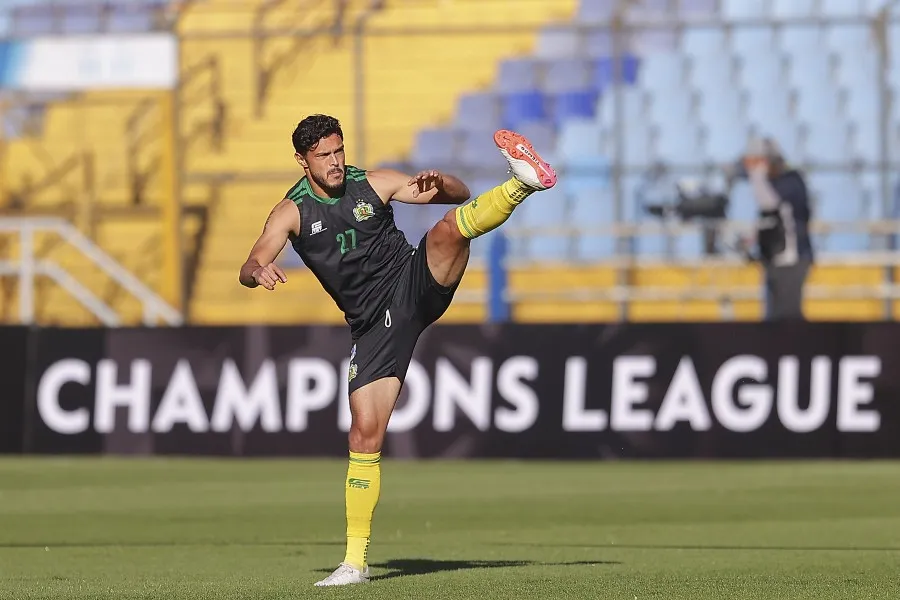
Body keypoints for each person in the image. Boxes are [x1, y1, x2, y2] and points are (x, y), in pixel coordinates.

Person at [237, 114, 557, 586]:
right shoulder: (291, 211)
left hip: (412, 283)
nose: (335, 162)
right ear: (303, 161)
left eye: (339, 151)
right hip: (372, 326)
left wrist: (439, 181)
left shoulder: (374, 183)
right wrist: (256, 271)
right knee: (364, 435)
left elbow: (457, 193)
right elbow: (252, 260)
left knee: (448, 230)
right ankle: (354, 564)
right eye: (324, 155)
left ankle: (521, 184)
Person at [731, 137, 813, 321]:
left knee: (788, 314)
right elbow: (769, 220)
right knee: (773, 315)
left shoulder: (791, 181)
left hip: (792, 258)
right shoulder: (771, 185)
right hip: (774, 259)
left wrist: (757, 175)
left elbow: (772, 204)